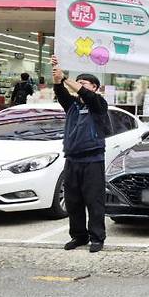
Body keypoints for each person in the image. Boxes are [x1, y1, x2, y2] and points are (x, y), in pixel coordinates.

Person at [51, 55, 111, 253]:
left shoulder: (98, 104)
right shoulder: (73, 105)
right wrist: (57, 76)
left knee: (94, 201)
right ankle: (78, 236)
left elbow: (89, 97)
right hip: (72, 158)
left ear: (94, 87)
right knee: (73, 200)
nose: (78, 86)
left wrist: (66, 78)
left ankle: (97, 238)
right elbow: (60, 92)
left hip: (93, 159)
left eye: (83, 83)